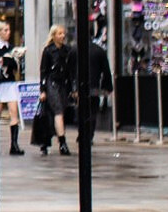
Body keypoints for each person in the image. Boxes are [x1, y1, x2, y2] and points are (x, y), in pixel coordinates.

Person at [70, 38, 114, 144]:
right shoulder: (99, 50)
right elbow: (106, 70)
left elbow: (70, 70)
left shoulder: (74, 49)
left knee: (80, 110)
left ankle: (82, 134)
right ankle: (89, 135)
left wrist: (72, 88)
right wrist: (107, 87)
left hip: (80, 86)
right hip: (94, 86)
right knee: (92, 111)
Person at [0, 21, 26, 156]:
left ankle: (14, 144)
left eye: (9, 30)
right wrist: (4, 61)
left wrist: (12, 59)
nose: (8, 33)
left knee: (13, 112)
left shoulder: (10, 47)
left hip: (9, 82)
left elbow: (15, 65)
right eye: (5, 30)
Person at [38, 24, 73, 156]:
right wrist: (42, 90)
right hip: (51, 84)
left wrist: (71, 88)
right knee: (58, 111)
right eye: (59, 33)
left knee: (57, 113)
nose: (62, 36)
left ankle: (47, 140)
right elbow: (43, 71)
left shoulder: (67, 50)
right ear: (53, 36)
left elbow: (69, 71)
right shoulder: (48, 51)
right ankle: (62, 143)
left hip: (62, 84)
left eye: (63, 33)